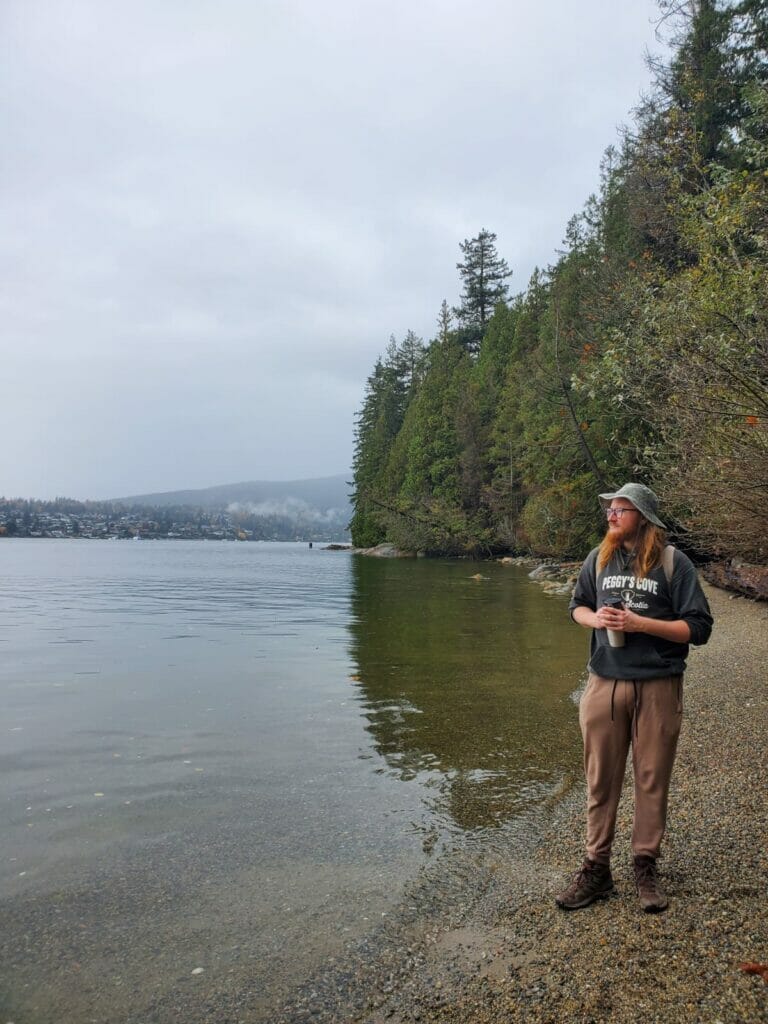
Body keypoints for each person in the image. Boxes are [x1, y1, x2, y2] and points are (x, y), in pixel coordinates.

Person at [556, 483, 713, 913]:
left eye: (619, 510)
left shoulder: (672, 563)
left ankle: (645, 864)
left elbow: (698, 629)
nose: (610, 516)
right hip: (604, 683)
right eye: (609, 509)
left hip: (659, 683)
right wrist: (596, 618)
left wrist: (642, 624)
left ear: (642, 516)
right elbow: (576, 607)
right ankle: (596, 868)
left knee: (651, 779)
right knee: (600, 779)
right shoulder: (598, 558)